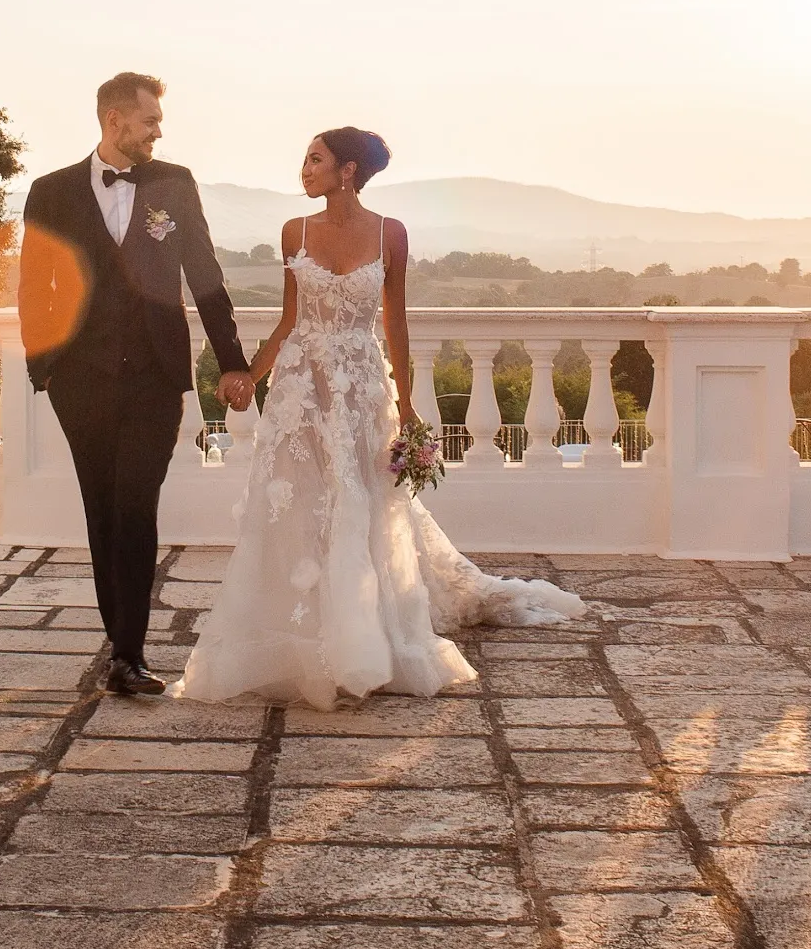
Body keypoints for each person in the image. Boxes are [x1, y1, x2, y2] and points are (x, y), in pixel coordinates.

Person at [179, 127, 584, 709]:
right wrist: (251, 374)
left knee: (364, 499)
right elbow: (292, 318)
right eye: (305, 159)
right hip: (303, 388)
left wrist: (412, 404)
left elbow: (395, 323)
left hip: (364, 387)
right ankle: (303, 633)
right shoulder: (294, 231)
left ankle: (364, 633)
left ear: (347, 170)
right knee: (299, 500)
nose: (304, 169)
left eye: (315, 159)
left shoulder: (391, 233)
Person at [18, 73, 252, 696]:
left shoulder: (174, 184)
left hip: (154, 375)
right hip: (80, 382)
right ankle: (120, 647)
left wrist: (232, 362)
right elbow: (33, 286)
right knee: (101, 510)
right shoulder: (50, 192)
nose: (158, 130)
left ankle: (129, 651)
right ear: (116, 119)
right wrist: (44, 367)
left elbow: (204, 275)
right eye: (150, 120)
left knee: (135, 503)